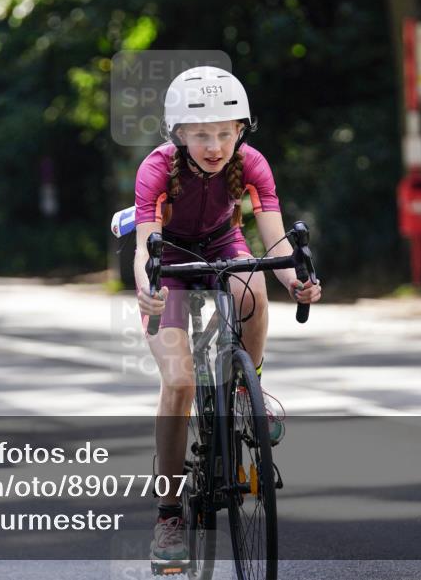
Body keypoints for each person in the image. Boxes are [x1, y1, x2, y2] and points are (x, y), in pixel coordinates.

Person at [132, 66, 322, 569]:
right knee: (179, 383)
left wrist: (295, 280)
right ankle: (169, 514)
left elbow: (276, 239)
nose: (214, 145)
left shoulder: (252, 163)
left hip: (222, 244)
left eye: (224, 132)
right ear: (179, 134)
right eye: (200, 135)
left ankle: (248, 388)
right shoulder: (155, 168)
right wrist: (146, 286)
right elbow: (141, 247)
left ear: (240, 130)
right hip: (169, 261)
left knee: (253, 288)